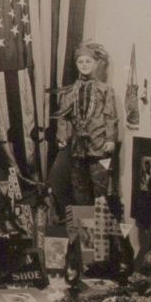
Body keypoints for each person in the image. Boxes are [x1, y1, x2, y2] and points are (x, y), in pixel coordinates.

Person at [49, 40, 121, 213]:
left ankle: (103, 236)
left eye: (88, 61)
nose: (84, 65)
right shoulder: (70, 91)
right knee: (79, 190)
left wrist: (110, 139)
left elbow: (110, 116)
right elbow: (63, 117)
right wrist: (62, 137)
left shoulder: (105, 90)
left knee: (101, 190)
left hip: (100, 148)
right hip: (77, 149)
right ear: (76, 64)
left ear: (96, 64)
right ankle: (84, 237)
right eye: (80, 62)